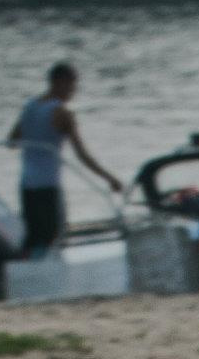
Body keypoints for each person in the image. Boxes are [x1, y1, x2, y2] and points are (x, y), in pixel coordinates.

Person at [7, 62, 122, 256]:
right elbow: (81, 154)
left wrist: (36, 136)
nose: (73, 91)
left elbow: (11, 142)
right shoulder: (63, 113)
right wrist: (109, 178)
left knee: (33, 236)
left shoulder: (29, 107)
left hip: (27, 184)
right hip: (48, 186)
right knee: (53, 235)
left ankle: (23, 272)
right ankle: (45, 276)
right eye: (72, 86)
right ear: (60, 82)